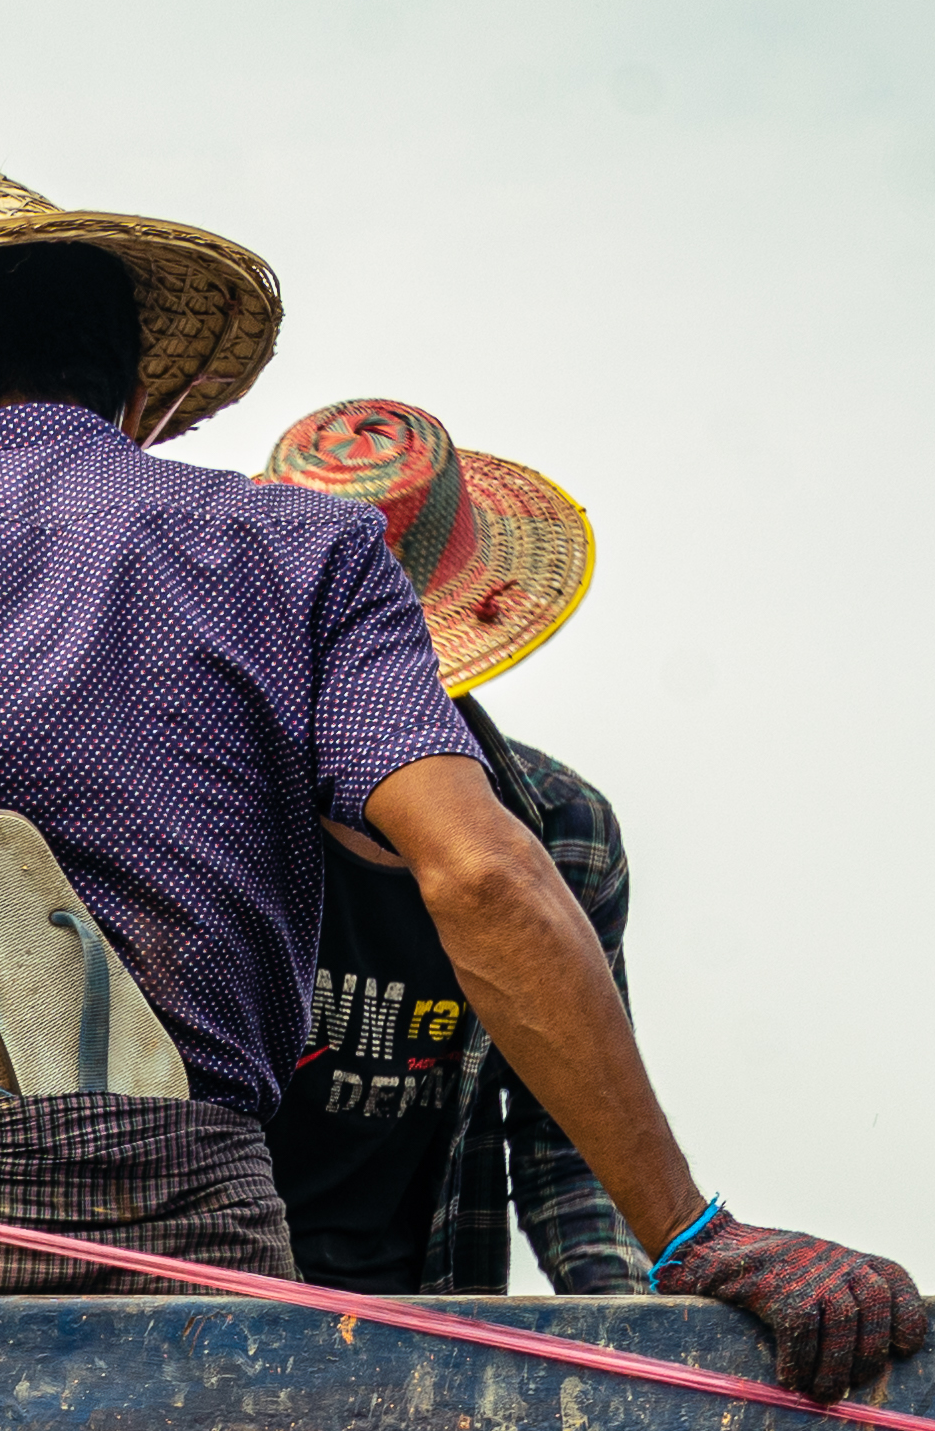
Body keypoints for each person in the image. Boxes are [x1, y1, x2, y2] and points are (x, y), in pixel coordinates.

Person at [0, 160, 916, 1397]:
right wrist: (692, 1236)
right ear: (143, 394)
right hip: (212, 1258)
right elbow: (480, 872)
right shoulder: (300, 549)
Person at [253, 397, 881, 1312]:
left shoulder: (563, 831)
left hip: (429, 1321)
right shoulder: (211, 810)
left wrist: (654, 1326)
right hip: (213, 1298)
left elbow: (566, 1147)